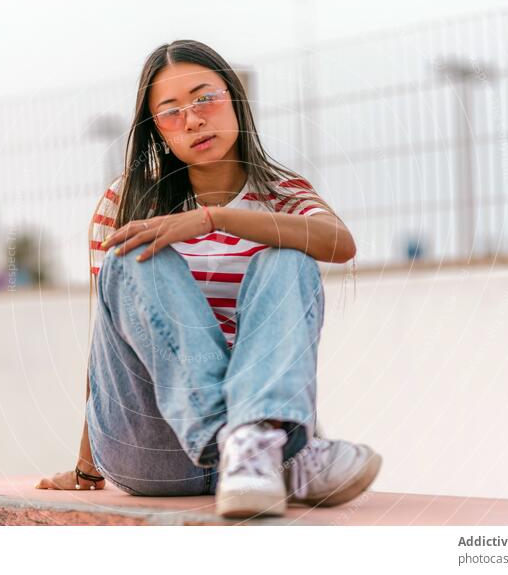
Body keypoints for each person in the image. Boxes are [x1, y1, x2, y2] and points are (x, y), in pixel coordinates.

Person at [36, 39, 382, 518]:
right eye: (171, 112)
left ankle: (253, 443)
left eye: (205, 99)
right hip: (151, 451)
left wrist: (213, 219)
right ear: (156, 129)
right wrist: (86, 467)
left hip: (254, 466)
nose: (194, 120)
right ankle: (263, 446)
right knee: (135, 254)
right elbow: (109, 341)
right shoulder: (127, 201)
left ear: (235, 99)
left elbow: (339, 243)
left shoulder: (282, 193)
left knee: (290, 256)